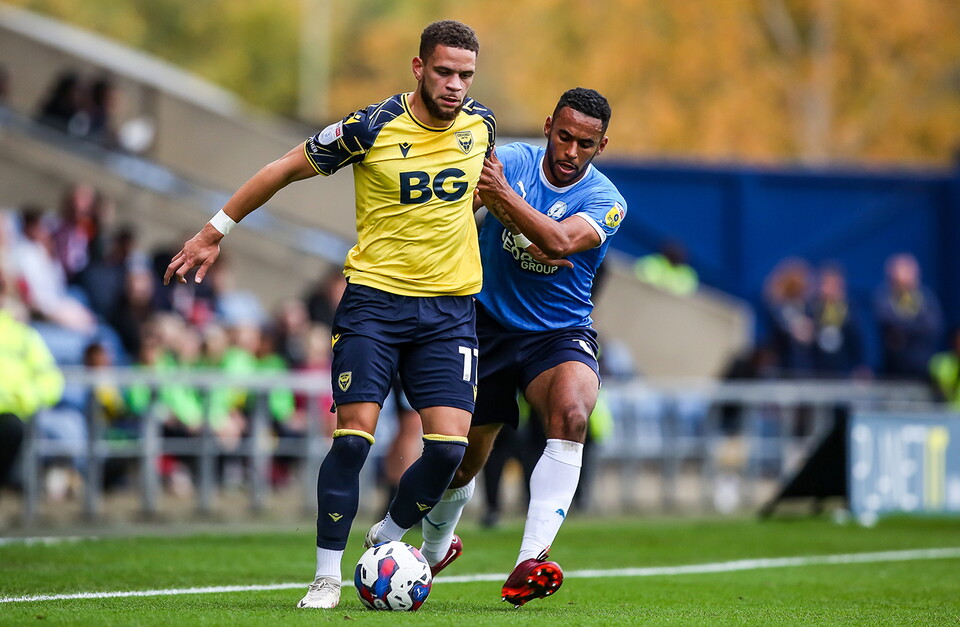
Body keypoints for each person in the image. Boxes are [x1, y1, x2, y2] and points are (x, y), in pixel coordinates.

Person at [164, 20, 495, 610]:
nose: (455, 86)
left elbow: (475, 195)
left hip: (450, 312)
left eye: (465, 75)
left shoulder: (482, 126)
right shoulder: (370, 127)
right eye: (444, 72)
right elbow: (284, 167)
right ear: (418, 68)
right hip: (375, 305)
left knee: (448, 449)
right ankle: (324, 577)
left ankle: (386, 540)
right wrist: (215, 232)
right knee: (352, 441)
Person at [397, 87, 626, 607]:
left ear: (601, 145)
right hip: (483, 323)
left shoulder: (606, 200)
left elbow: (560, 242)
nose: (570, 152)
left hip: (559, 333)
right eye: (564, 136)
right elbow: (458, 206)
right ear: (548, 126)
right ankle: (433, 551)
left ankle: (530, 558)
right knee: (460, 459)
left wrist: (503, 200)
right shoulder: (512, 161)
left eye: (584, 144)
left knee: (571, 413)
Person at [874, 252, 943, 381]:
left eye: (908, 272)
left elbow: (932, 327)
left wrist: (903, 330)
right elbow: (888, 323)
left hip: (923, 367)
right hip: (893, 369)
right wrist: (915, 325)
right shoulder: (883, 298)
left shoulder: (927, 298)